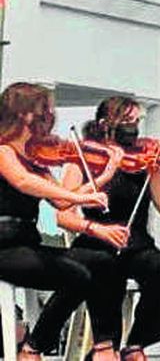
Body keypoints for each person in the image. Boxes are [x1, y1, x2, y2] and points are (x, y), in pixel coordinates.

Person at [33, 97, 160, 361]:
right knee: (102, 266)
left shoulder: (145, 159)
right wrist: (97, 229)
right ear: (104, 124)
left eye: (136, 121)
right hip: (95, 242)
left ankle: (136, 343)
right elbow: (64, 217)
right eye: (126, 121)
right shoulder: (83, 158)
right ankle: (102, 347)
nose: (133, 127)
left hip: (136, 244)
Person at [0, 83, 118, 361]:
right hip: (2, 247)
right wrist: (78, 198)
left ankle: (103, 348)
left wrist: (103, 177)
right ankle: (32, 349)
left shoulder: (36, 160)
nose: (49, 116)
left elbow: (63, 202)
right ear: (22, 113)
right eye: (43, 110)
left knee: (102, 262)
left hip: (28, 243)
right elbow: (23, 182)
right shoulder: (3, 151)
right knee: (76, 275)